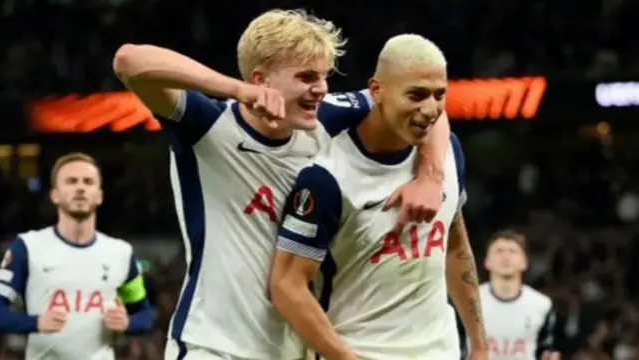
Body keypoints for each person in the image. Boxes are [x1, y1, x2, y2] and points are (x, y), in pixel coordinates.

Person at [113, 9, 453, 360]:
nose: (320, 89)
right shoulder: (208, 127)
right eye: (306, 77)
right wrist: (237, 90)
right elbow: (129, 61)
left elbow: (425, 104)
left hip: (290, 351)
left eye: (323, 76)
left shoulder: (328, 117)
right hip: (213, 346)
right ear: (261, 79)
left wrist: (431, 175)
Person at [269, 34, 487, 360]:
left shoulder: (447, 153)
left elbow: (454, 246)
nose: (430, 109)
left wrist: (479, 343)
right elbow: (286, 285)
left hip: (441, 351)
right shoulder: (327, 177)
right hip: (359, 350)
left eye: (439, 95)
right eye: (416, 95)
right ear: (376, 91)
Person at [0, 152, 153, 360]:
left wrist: (128, 323)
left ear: (99, 195)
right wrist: (34, 323)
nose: (80, 187)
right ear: (55, 195)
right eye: (71, 181)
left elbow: (144, 315)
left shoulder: (121, 253)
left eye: (88, 182)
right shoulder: (27, 247)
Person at [476, 230, 560, 360]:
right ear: (487, 261)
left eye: (512, 251)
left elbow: (548, 348)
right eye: (499, 251)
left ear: (525, 262)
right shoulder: (469, 301)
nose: (505, 257)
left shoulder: (542, 305)